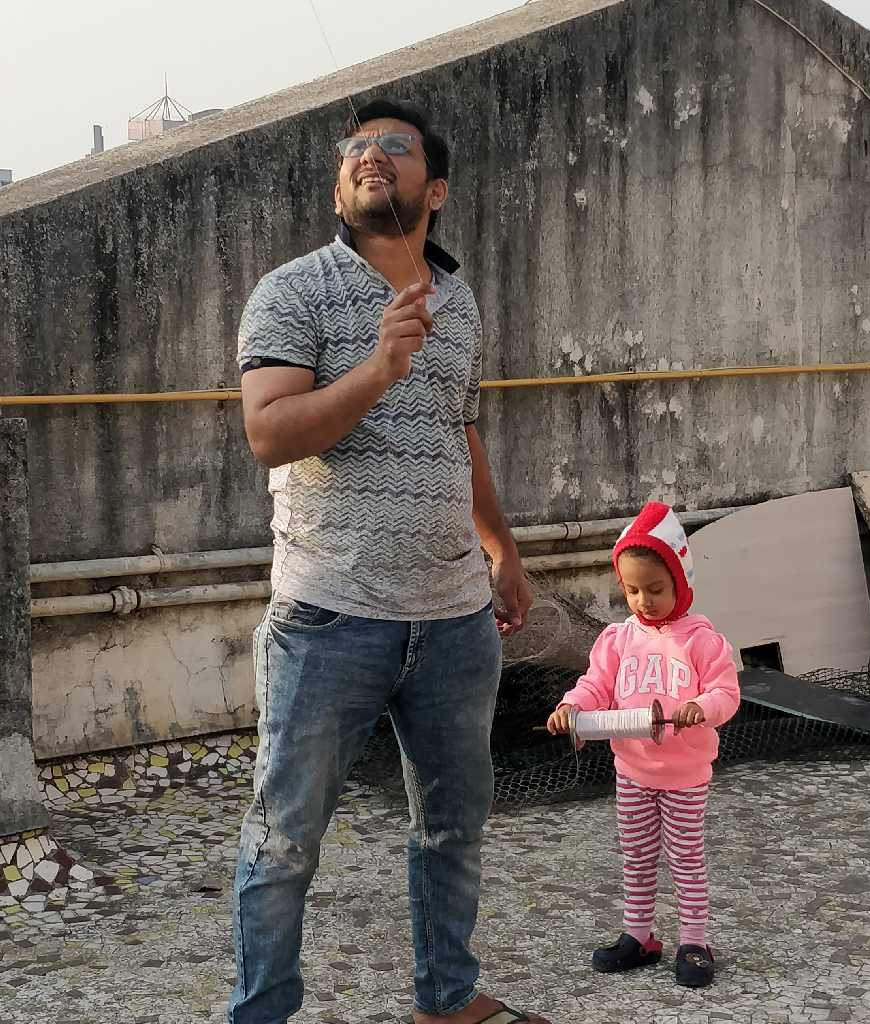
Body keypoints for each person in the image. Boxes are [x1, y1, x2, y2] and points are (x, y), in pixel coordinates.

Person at [229, 98, 549, 1024]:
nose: (371, 155)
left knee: (453, 827)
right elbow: (268, 433)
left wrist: (503, 550)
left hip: (453, 618)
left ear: (434, 189)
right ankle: (261, 1014)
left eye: (394, 147)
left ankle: (445, 1000)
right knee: (285, 838)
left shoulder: (461, 300)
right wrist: (376, 368)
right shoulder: (292, 290)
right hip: (330, 616)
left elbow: (461, 430)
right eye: (356, 149)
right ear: (340, 187)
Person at [547, 501, 740, 988]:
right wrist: (572, 706)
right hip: (632, 773)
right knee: (636, 854)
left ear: (681, 581)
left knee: (685, 858)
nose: (643, 601)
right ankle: (640, 936)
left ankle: (694, 941)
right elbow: (595, 685)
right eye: (631, 590)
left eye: (655, 589)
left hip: (684, 778)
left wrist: (702, 706)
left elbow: (726, 694)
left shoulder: (702, 642)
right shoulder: (617, 640)